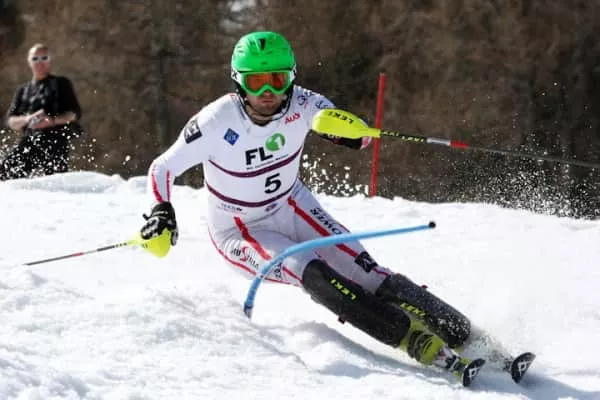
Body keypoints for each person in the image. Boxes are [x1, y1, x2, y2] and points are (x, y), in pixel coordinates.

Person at [139, 31, 484, 385]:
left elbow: (355, 132)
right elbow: (162, 168)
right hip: (241, 229)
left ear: (291, 77)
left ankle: (462, 332)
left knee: (367, 272)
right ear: (238, 82)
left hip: (292, 205)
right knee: (313, 273)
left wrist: (350, 134)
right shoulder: (215, 121)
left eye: (277, 80)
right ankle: (413, 339)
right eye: (256, 82)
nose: (268, 92)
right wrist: (161, 210)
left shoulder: (304, 103)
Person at [2, 43, 82, 180]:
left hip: (56, 140)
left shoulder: (61, 84)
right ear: (29, 61)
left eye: (44, 58)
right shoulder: (23, 90)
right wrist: (28, 119)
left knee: (55, 181)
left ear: (50, 60)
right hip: (31, 141)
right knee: (4, 174)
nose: (40, 62)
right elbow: (10, 121)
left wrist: (51, 121)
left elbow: (75, 113)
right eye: (35, 58)